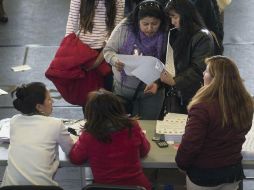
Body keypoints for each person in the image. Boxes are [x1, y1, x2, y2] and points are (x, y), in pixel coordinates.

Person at [175, 56, 254, 190]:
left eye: (206, 71)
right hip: (232, 173)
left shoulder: (203, 107)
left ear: (214, 79)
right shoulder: (246, 103)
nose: (203, 74)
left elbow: (191, 143)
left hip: (204, 175)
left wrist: (181, 164)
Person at [69, 89, 151, 190]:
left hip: (103, 187)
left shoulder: (89, 135)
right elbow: (144, 151)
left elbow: (75, 159)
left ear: (90, 112)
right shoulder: (132, 127)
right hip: (137, 186)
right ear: (118, 107)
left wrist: (76, 142)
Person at [103, 0, 167, 120]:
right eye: (145, 24)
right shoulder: (124, 28)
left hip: (152, 91)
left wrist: (159, 82)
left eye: (154, 24)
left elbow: (170, 63)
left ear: (161, 22)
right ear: (137, 22)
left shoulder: (167, 33)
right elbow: (108, 50)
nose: (149, 28)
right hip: (123, 91)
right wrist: (115, 60)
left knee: (148, 127)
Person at [1, 82, 74, 186]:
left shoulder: (14, 121)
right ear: (39, 107)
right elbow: (71, 151)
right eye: (49, 99)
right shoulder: (55, 124)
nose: (52, 101)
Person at [160, 0, 214, 114]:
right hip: (176, 94)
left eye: (175, 17)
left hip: (195, 95)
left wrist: (175, 81)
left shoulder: (203, 37)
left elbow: (199, 68)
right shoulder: (174, 34)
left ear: (185, 15)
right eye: (171, 17)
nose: (172, 22)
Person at [66, 0, 125, 91]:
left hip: (107, 51)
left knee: (108, 92)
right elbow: (71, 24)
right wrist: (68, 49)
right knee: (86, 95)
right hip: (83, 52)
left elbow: (116, 29)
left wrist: (98, 60)